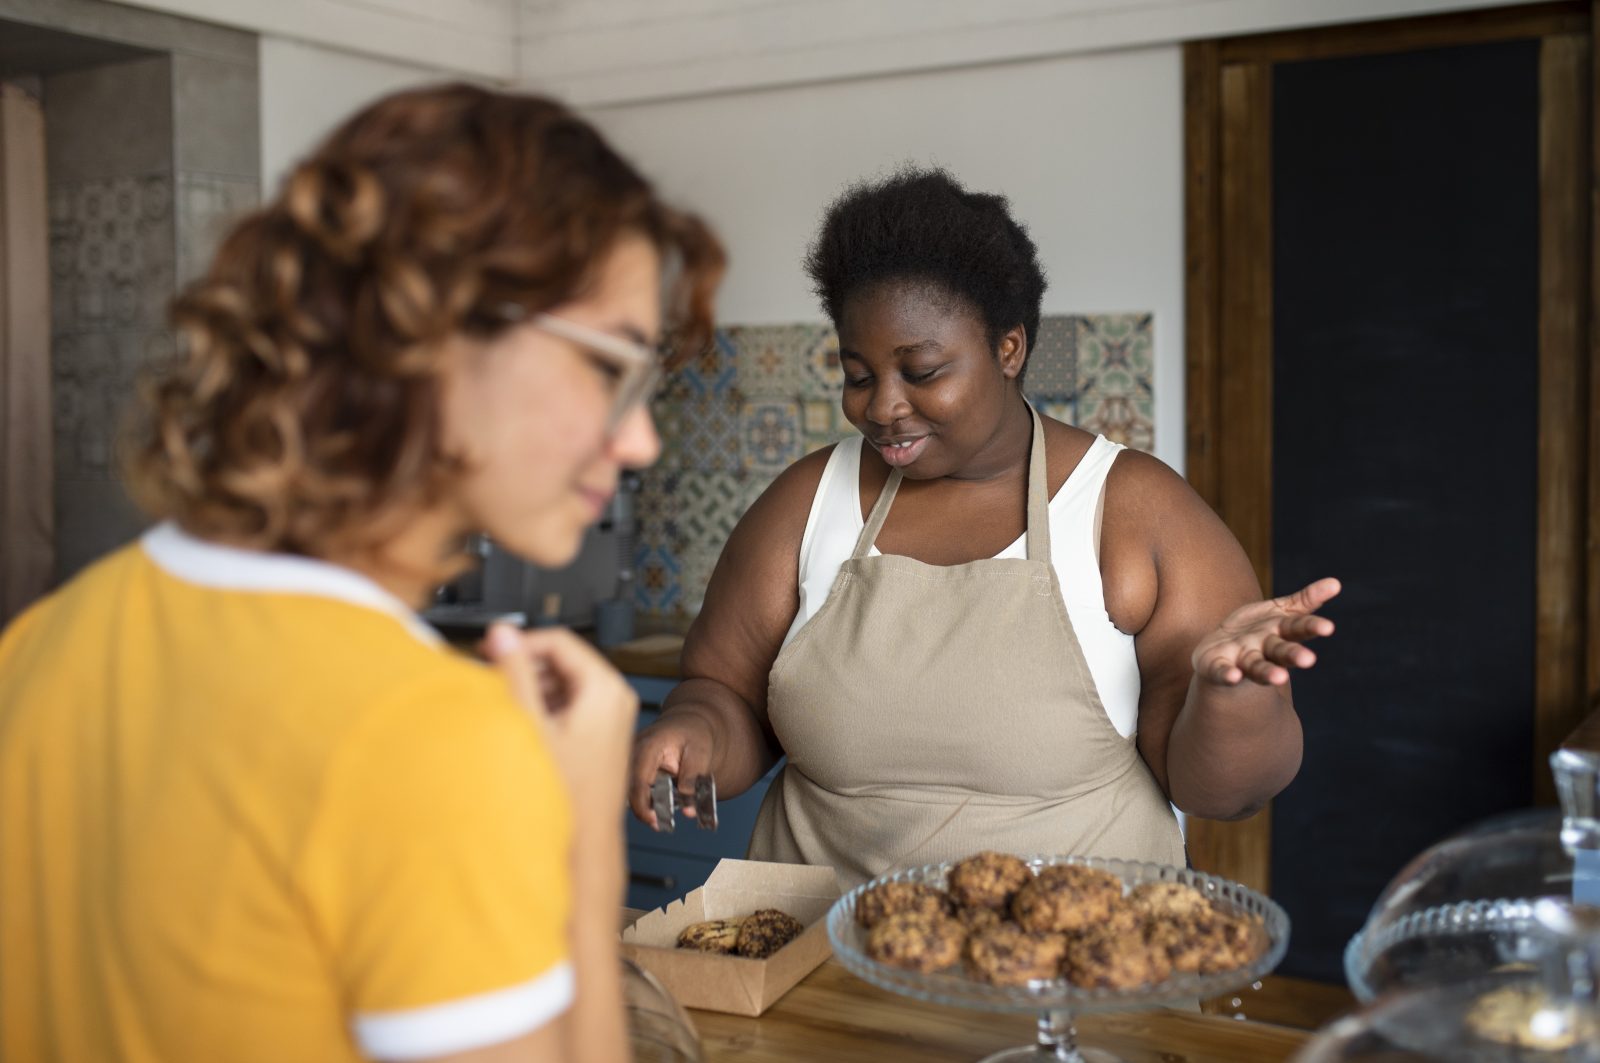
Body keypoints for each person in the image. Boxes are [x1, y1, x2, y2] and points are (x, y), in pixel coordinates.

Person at [0, 84, 722, 1063]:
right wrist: (583, 841)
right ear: (433, 332)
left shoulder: (44, 640)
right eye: (611, 369)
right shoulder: (434, 741)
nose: (637, 439)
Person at [629, 168, 1337, 888]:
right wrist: (698, 732)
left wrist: (1232, 699)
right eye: (859, 374)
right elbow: (723, 688)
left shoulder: (1131, 511)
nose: (883, 407)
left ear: (1009, 349)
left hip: (1068, 970)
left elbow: (1225, 793)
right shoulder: (806, 503)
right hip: (817, 965)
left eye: (923, 371)